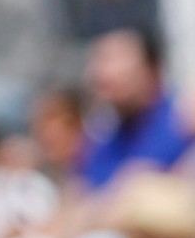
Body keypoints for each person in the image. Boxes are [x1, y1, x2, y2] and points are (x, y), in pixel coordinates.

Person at [79, 26, 193, 191]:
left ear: (152, 68)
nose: (100, 72)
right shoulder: (100, 141)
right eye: (96, 59)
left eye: (111, 59)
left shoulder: (184, 120)